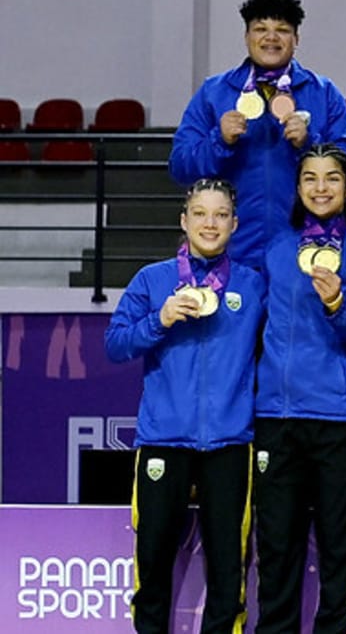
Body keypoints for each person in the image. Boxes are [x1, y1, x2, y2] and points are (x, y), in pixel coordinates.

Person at [104, 178, 265, 634]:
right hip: (164, 441)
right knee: (152, 561)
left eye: (220, 215)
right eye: (200, 214)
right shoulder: (153, 280)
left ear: (234, 224)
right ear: (184, 220)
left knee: (228, 566)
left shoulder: (252, 285)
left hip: (230, 443)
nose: (210, 224)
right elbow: (115, 345)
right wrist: (160, 319)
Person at [253, 144, 346, 634]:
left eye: (332, 178)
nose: (320, 188)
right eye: (310, 178)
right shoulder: (276, 250)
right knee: (276, 545)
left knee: (339, 546)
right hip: (278, 414)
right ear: (298, 187)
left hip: (342, 417)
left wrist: (337, 305)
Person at [169, 0, 346, 268]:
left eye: (282, 30)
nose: (271, 37)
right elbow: (180, 167)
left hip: (304, 249)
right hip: (231, 251)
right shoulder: (214, 92)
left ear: (296, 39)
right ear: (247, 37)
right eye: (260, 29)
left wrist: (309, 144)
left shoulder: (324, 93)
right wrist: (219, 141)